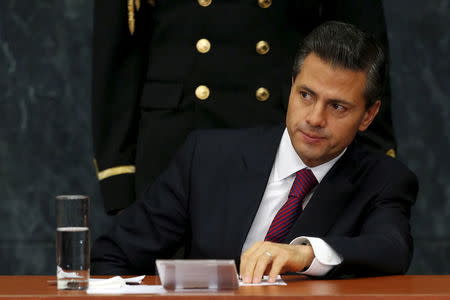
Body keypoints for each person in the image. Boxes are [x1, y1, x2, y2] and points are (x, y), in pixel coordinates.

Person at [91, 21, 418, 281]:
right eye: (306, 95)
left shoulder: (383, 180)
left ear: (369, 115)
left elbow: (391, 248)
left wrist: (305, 254)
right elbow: (111, 256)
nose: (315, 119)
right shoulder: (207, 157)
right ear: (291, 87)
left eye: (338, 106)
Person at [92, 0, 397, 215]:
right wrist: (118, 173)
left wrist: (375, 167)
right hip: (174, 142)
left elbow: (363, 51)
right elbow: (118, 55)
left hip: (282, 141)